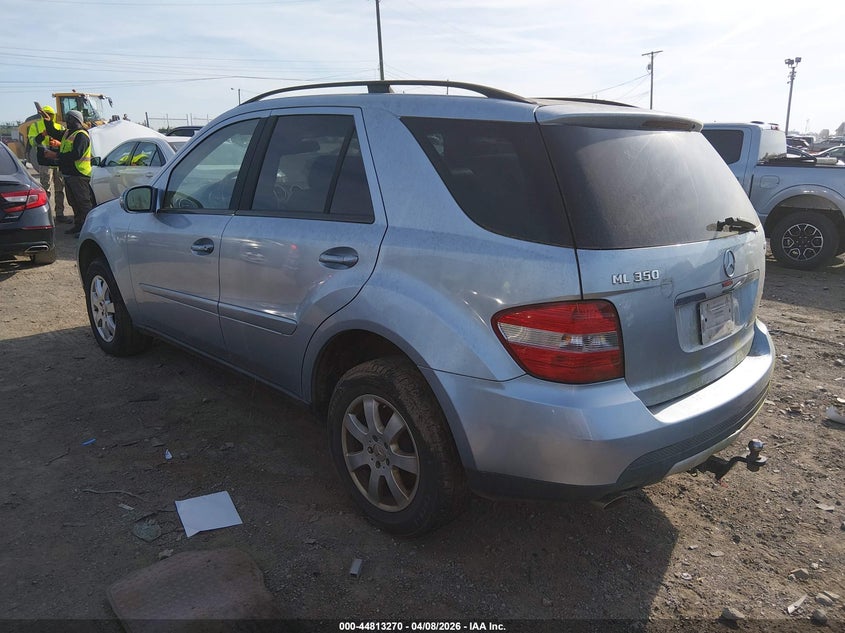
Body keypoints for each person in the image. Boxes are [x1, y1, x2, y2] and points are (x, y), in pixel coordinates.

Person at [41, 109, 92, 237]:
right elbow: (53, 132)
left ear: (77, 120)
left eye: (69, 119)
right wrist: (48, 122)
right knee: (73, 202)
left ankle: (88, 229)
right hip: (69, 174)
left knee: (83, 203)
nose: (67, 122)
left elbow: (76, 154)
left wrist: (55, 155)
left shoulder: (81, 135)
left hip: (79, 175)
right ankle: (79, 225)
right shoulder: (68, 133)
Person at [27, 106, 70, 223]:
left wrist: (58, 143)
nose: (48, 116)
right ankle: (47, 215)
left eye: (50, 114)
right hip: (45, 162)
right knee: (46, 190)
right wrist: (42, 135)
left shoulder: (59, 127)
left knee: (59, 189)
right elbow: (32, 142)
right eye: (46, 114)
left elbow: (66, 143)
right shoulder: (35, 126)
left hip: (57, 162)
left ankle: (60, 214)